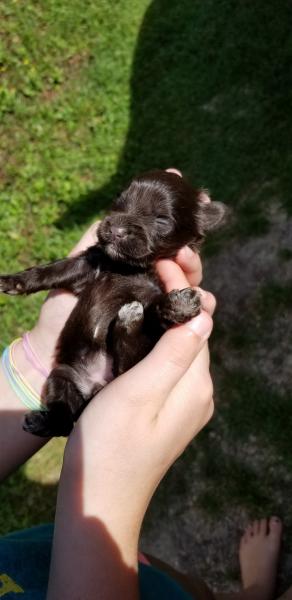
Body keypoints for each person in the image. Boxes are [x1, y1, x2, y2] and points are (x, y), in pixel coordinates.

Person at [0, 177, 290, 600]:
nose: (119, 226)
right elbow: (71, 270)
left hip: (118, 355)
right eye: (121, 206)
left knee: (139, 324)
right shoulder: (101, 259)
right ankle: (61, 416)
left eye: (156, 219)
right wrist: (30, 279)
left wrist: (34, 360)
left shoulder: (155, 270)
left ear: (196, 231)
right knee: (65, 383)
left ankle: (251, 591)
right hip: (77, 368)